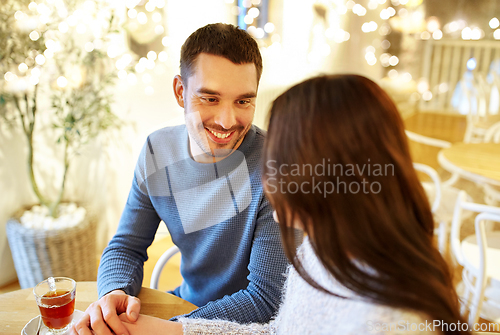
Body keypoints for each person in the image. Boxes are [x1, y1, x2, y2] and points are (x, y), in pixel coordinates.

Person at [108, 74, 470, 334]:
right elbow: (283, 328)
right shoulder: (322, 247)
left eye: (279, 155)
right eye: (210, 97)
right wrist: (167, 330)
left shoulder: (389, 320)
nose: (266, 174)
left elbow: (265, 305)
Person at [72, 23, 293, 335]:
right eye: (210, 98)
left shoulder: (279, 166)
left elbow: (264, 301)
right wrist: (113, 296)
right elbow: (126, 246)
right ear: (180, 91)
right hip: (185, 309)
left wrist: (166, 330)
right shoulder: (156, 150)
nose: (227, 121)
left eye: (243, 101)